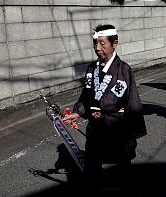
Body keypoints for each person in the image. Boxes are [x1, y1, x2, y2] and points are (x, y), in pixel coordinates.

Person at [62, 24, 147, 186]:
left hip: (117, 127)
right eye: (95, 43)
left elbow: (117, 99)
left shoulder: (123, 69)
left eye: (102, 44)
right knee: (93, 165)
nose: (97, 48)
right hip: (96, 128)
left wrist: (98, 108)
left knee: (122, 166)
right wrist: (78, 112)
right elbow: (86, 94)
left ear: (114, 44)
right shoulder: (91, 68)